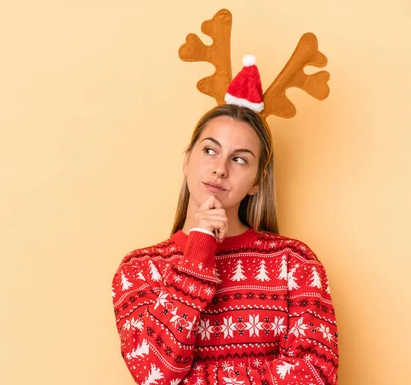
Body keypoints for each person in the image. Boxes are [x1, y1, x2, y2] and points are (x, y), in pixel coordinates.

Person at [111, 57, 339, 385]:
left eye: (239, 159)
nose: (220, 168)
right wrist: (199, 248)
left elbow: (315, 375)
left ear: (258, 181)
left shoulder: (296, 263)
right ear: (187, 159)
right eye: (209, 151)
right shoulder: (139, 270)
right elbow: (155, 372)